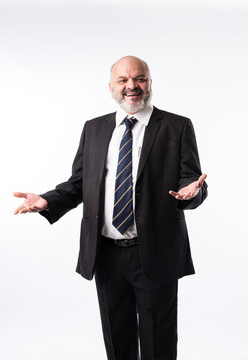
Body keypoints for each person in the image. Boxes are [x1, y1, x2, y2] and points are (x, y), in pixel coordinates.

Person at [14, 55, 208, 360]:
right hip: (105, 254)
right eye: (123, 80)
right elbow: (79, 183)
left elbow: (191, 180)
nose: (132, 86)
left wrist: (192, 192)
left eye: (139, 78)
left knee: (159, 342)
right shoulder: (94, 128)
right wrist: (47, 200)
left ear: (149, 83)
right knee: (117, 343)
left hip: (156, 252)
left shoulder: (176, 126)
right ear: (111, 87)